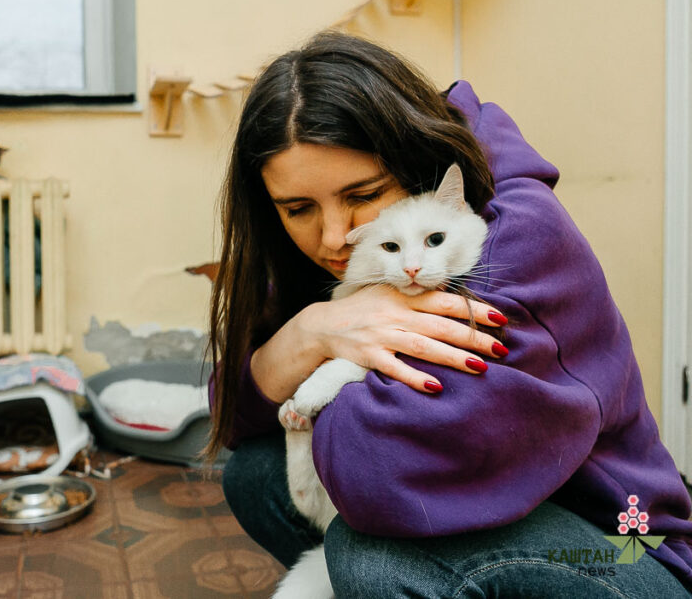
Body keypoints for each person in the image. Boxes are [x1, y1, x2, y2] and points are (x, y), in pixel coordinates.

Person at [206, 31, 692, 597]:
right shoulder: (342, 248)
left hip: (622, 543)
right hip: (497, 506)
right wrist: (312, 330)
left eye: (364, 193)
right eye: (298, 208)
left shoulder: (512, 238)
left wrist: (317, 381)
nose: (335, 236)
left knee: (375, 556)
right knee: (253, 472)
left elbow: (384, 469)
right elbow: (232, 410)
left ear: (417, 164)